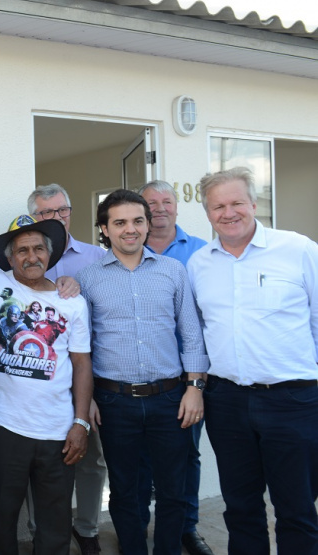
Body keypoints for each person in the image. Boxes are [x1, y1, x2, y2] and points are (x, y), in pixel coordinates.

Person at [187, 167, 318, 555]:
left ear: (254, 204)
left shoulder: (298, 250)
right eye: (217, 206)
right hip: (226, 402)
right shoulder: (199, 265)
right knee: (241, 508)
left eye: (236, 203)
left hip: (292, 401)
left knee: (295, 508)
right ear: (208, 213)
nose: (228, 213)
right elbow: (199, 333)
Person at [77, 189, 208, 555]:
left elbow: (192, 333)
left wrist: (195, 388)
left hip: (171, 399)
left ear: (148, 224)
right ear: (105, 228)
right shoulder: (88, 278)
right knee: (124, 490)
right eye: (119, 222)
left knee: (173, 489)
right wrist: (84, 401)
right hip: (114, 401)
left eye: (138, 221)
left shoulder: (173, 271)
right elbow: (81, 347)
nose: (130, 230)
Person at [0, 215, 92, 555]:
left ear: (50, 255)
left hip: (58, 430)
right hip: (3, 427)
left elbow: (81, 363)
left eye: (39, 248)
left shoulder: (72, 301)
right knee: (0, 522)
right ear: (10, 259)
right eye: (22, 250)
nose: (31, 256)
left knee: (55, 525)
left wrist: (80, 423)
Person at [27, 183, 106, 555]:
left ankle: (87, 528)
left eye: (62, 210)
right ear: (33, 217)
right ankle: (37, 528)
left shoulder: (95, 258)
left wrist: (86, 398)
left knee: (90, 459)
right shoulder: (21, 259)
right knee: (36, 463)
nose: (55, 218)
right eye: (46, 212)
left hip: (89, 375)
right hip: (38, 383)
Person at [137, 180, 211, 555]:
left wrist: (196, 381)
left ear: (177, 207)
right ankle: (146, 527)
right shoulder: (129, 248)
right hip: (146, 376)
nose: (160, 208)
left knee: (187, 455)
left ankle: (186, 527)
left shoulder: (201, 252)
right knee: (145, 460)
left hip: (191, 376)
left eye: (167, 201)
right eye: (152, 202)